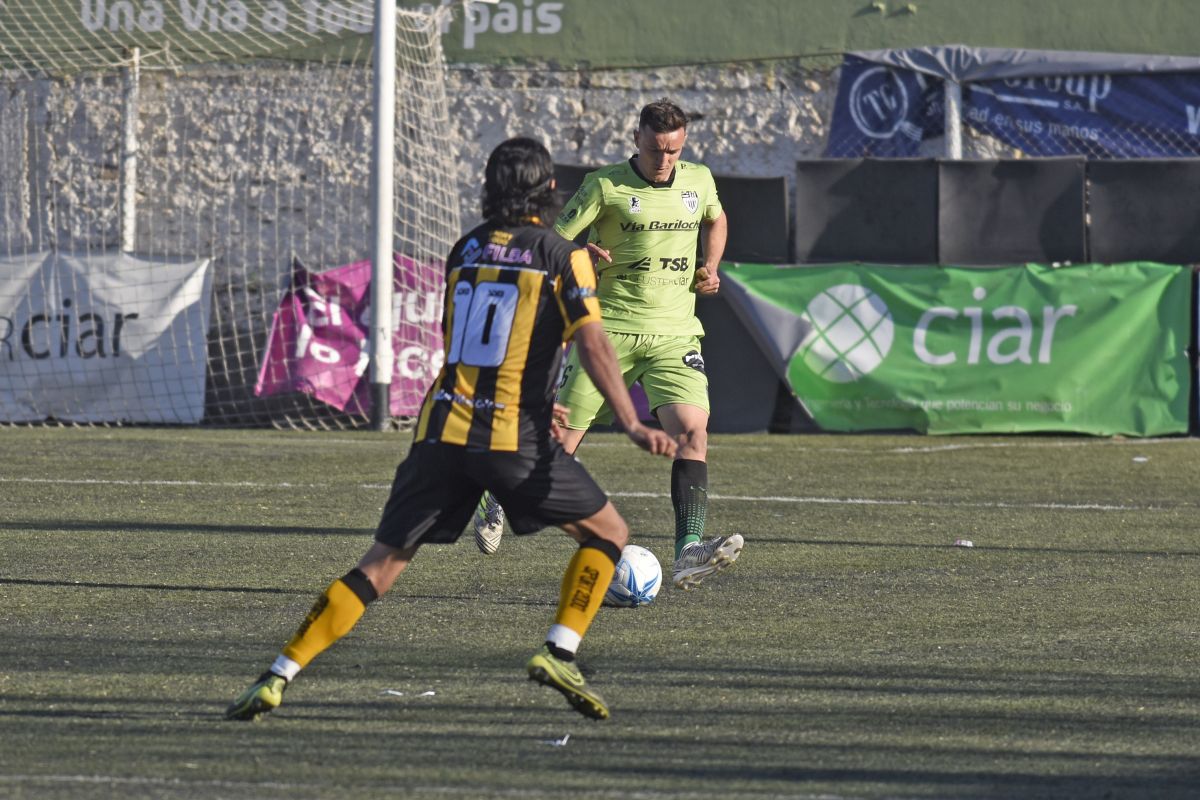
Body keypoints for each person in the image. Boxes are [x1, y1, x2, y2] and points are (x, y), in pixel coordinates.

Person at [225, 137, 676, 723]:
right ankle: (560, 651)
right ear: (549, 190)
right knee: (609, 532)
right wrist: (631, 420)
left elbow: (463, 340)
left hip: (440, 429)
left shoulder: (466, 248)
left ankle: (278, 675)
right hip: (509, 434)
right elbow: (592, 342)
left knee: (380, 566)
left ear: (490, 190)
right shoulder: (562, 254)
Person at [472, 98, 743, 591]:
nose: (665, 159)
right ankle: (495, 493)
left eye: (674, 150)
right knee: (559, 445)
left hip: (675, 333)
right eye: (656, 149)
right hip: (608, 331)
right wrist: (580, 253)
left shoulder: (699, 181)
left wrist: (712, 264)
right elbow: (549, 240)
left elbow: (717, 218)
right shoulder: (605, 185)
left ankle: (688, 551)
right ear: (636, 139)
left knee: (693, 433)